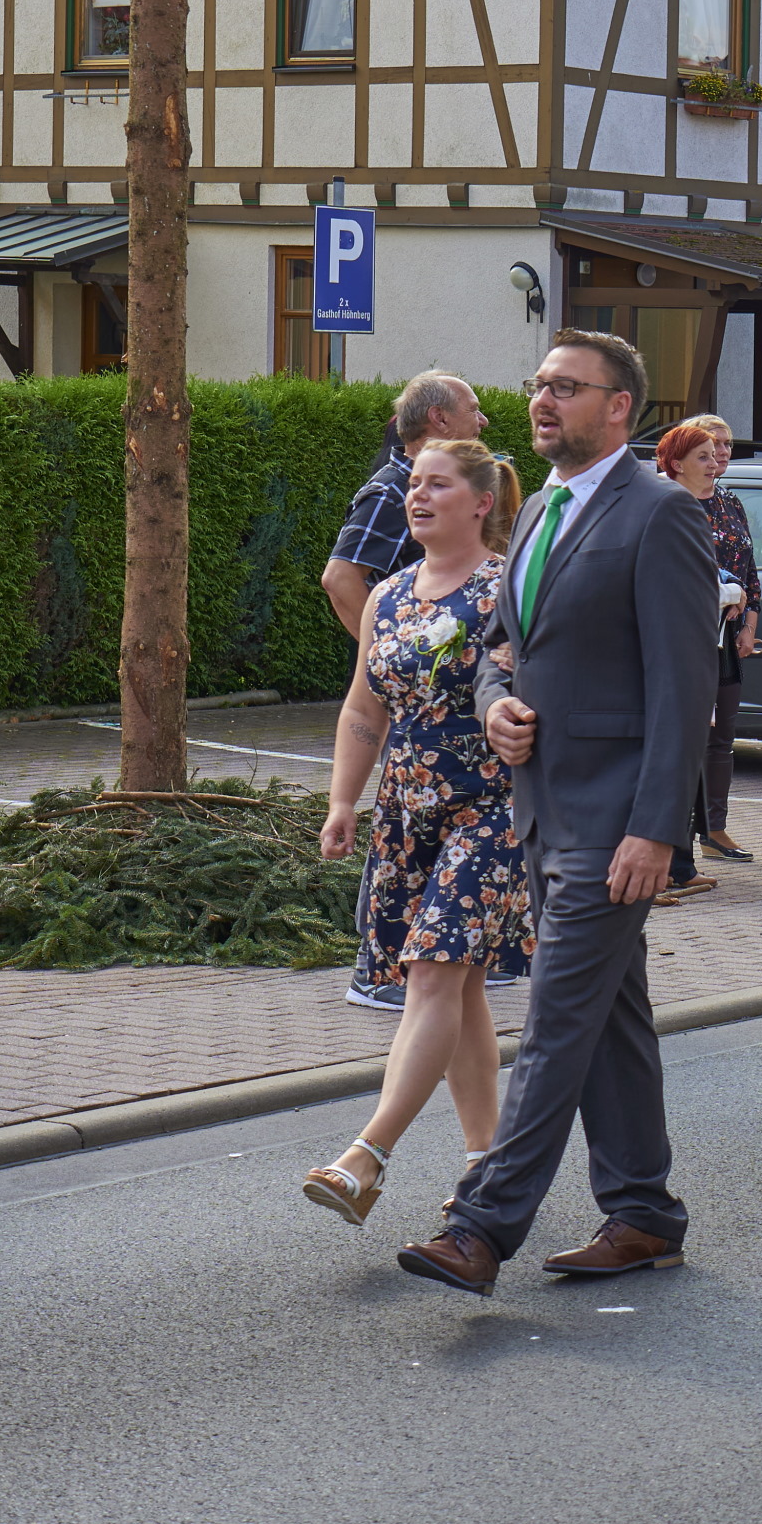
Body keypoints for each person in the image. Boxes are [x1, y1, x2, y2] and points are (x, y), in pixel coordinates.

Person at [398, 328, 720, 1296]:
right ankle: (644, 1212)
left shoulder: (662, 514)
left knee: (555, 1023)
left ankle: (480, 1227)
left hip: (616, 822)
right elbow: (504, 644)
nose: (543, 400)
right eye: (540, 384)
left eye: (567, 387)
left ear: (619, 407)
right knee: (611, 1019)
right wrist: (497, 700)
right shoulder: (539, 506)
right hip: (544, 810)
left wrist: (657, 829)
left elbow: (685, 687)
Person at [303, 438, 530, 1226]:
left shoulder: (507, 588)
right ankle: (487, 1163)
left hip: (491, 808)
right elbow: (363, 705)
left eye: (439, 485)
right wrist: (343, 801)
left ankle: (365, 1156)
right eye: (415, 485)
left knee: (434, 973)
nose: (418, 496)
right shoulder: (389, 595)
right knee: (454, 987)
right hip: (405, 813)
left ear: (481, 502)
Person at [654, 424, 759, 883]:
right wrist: (724, 590)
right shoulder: (663, 504)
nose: (717, 458)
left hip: (720, 636)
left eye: (722, 448)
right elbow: (681, 571)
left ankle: (705, 838)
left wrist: (746, 616)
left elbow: (744, 569)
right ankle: (670, 860)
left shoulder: (729, 502)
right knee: (677, 746)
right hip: (677, 641)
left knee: (713, 739)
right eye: (705, 452)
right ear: (676, 462)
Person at [322, 372, 489, 640]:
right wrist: (386, 651)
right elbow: (339, 578)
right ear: (440, 418)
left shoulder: (412, 488)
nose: (483, 421)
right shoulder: (391, 492)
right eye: (473, 409)